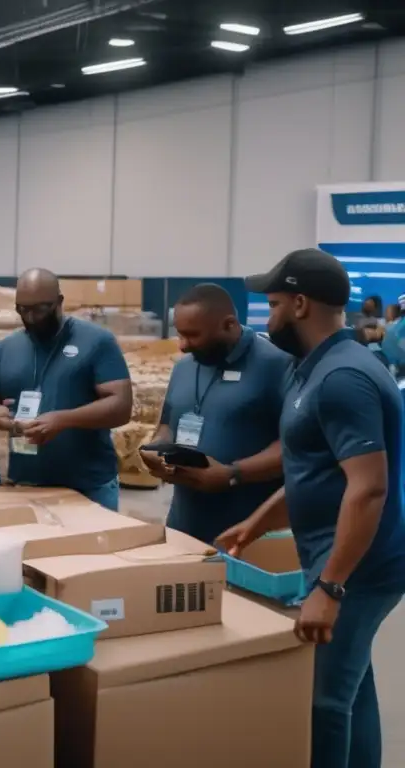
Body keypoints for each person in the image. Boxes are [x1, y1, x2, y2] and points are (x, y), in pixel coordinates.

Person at [219, 248, 405, 768]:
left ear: (300, 304)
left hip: (361, 567)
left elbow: (368, 489)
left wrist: (330, 587)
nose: (266, 316)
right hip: (336, 558)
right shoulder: (312, 370)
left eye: (273, 304)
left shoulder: (344, 378)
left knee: (322, 701)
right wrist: (256, 524)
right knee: (352, 687)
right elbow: (313, 472)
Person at [141, 284, 290, 545]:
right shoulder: (184, 368)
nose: (182, 345)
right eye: (180, 334)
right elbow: (167, 424)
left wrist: (232, 474)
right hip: (183, 526)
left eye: (193, 335)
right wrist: (156, 449)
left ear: (229, 324)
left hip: (248, 535)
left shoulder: (277, 365)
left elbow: (295, 446)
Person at [0, 268, 132, 510]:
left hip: (89, 489)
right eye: (23, 309)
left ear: (59, 302)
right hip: (26, 486)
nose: (31, 317)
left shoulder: (96, 341)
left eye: (40, 309)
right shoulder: (4, 350)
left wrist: (63, 420)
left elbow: (121, 406)